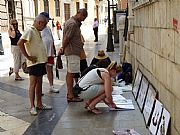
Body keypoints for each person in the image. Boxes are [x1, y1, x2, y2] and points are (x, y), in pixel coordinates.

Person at [18, 12, 52, 116]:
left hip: (40, 62)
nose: (45, 27)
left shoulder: (37, 31)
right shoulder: (30, 30)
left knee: (39, 84)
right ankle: (32, 106)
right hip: (34, 63)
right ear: (40, 22)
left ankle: (40, 104)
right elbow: (20, 43)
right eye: (44, 24)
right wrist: (28, 57)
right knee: (33, 84)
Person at [58, 8, 88, 102]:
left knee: (70, 73)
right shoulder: (73, 24)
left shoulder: (72, 22)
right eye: (83, 17)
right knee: (71, 73)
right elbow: (67, 37)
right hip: (72, 51)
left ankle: (70, 94)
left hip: (73, 51)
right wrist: (62, 47)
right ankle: (71, 95)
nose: (83, 20)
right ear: (80, 14)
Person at [41, 25, 59, 93]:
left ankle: (51, 86)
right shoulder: (39, 28)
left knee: (50, 70)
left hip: (50, 52)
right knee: (41, 71)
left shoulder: (48, 27)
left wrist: (54, 49)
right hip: (43, 53)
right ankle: (39, 89)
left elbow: (51, 38)